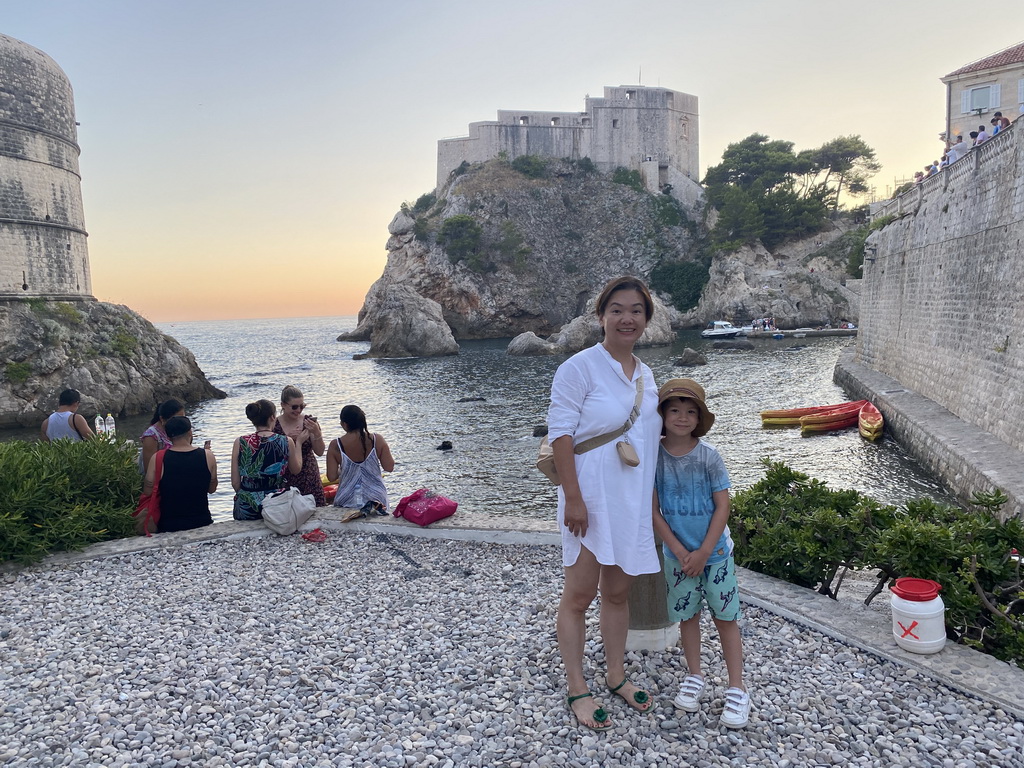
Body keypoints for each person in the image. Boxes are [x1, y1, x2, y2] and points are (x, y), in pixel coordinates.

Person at [546, 275, 661, 732]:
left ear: (646, 319)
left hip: (630, 500)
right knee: (579, 595)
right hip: (589, 498)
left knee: (617, 593)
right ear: (601, 316)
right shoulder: (579, 368)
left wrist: (651, 507)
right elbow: (560, 434)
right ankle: (577, 685)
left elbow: (650, 444)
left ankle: (615, 676)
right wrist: (574, 498)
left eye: (636, 310)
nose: (626, 318)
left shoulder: (647, 376)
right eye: (617, 309)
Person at [651, 378, 749, 729]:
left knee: (726, 617)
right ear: (661, 415)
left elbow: (723, 506)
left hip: (716, 554)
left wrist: (705, 551)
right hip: (678, 556)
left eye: (690, 411)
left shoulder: (709, 457)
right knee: (687, 616)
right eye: (674, 410)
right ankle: (695, 675)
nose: (681, 417)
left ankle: (737, 687)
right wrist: (678, 549)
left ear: (699, 419)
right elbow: (653, 509)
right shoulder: (654, 457)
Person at [143, 416, 217, 533]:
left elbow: (148, 491)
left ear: (168, 436)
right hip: (202, 521)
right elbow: (212, 489)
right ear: (190, 432)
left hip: (169, 525)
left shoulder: (158, 458)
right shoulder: (208, 456)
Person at [230, 399, 302, 520]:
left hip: (247, 505)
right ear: (273, 417)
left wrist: (249, 494)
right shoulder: (286, 441)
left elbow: (235, 482)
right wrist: (298, 443)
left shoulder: (240, 442)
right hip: (277, 502)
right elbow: (295, 470)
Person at [327, 404, 395, 519]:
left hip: (347, 499)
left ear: (344, 424)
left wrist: (344, 470)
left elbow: (331, 477)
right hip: (376, 499)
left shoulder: (336, 445)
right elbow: (389, 467)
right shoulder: (377, 440)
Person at [274, 385, 326, 505]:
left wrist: (317, 433)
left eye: (302, 406)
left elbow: (320, 451)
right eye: (294, 407)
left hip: (309, 473)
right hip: (286, 475)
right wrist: (288, 441)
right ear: (283, 405)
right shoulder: (275, 424)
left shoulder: (308, 421)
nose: (298, 410)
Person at [140, 399, 185, 472]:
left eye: (183, 418)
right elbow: (149, 469)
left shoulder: (177, 429)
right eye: (177, 419)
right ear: (162, 419)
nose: (181, 422)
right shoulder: (151, 437)